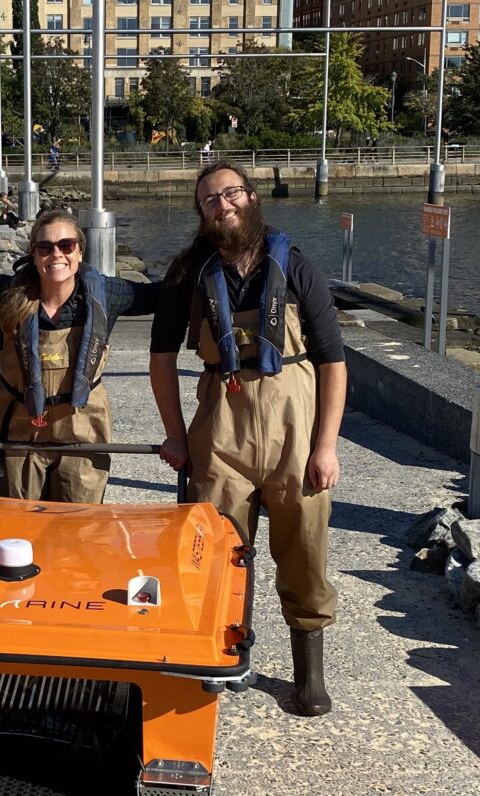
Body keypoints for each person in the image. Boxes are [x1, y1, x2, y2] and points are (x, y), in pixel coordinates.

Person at [150, 162, 346, 717]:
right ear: (202, 212)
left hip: (295, 430)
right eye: (210, 200)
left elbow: (333, 361)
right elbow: (160, 358)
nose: (222, 205)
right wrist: (174, 435)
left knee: (304, 551)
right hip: (221, 428)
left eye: (231, 193)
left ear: (252, 197)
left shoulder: (299, 268)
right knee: (213, 553)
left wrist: (325, 445)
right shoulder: (188, 275)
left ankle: (309, 674)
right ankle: (224, 655)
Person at [0, 210, 158, 502]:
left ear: (79, 252)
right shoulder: (6, 293)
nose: (56, 255)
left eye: (66, 246)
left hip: (82, 428)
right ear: (34, 254)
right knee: (17, 525)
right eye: (45, 247)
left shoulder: (107, 294)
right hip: (17, 427)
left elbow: (164, 296)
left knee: (79, 526)